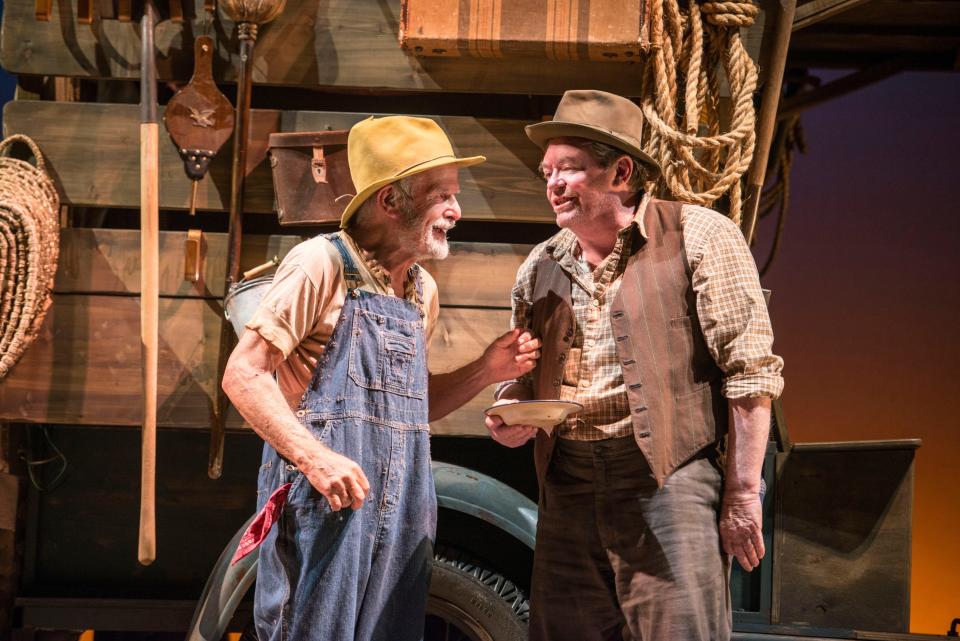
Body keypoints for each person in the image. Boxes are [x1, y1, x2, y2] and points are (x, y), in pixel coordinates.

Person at [222, 115, 541, 641]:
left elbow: (412, 402)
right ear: (390, 202)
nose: (455, 211)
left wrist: (487, 369)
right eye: (441, 196)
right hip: (326, 502)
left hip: (403, 506)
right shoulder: (321, 264)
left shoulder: (420, 291)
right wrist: (314, 457)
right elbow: (244, 373)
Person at [485, 89, 784, 641]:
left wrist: (743, 493)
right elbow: (519, 380)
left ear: (620, 172)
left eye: (568, 170)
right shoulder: (540, 265)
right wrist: (509, 414)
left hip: (667, 481)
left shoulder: (699, 235)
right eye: (547, 170)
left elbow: (750, 372)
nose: (551, 183)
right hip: (568, 485)